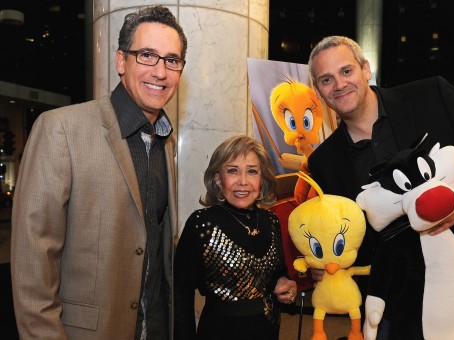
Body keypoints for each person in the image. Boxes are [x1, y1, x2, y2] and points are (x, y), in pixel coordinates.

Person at [306, 36, 454, 338]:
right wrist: (327, 261)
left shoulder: (431, 96)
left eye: (346, 71)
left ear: (365, 69)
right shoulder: (325, 161)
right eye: (326, 79)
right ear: (318, 90)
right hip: (394, 306)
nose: (339, 84)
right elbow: (347, 232)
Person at [11, 6, 187, 339]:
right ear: (121, 61)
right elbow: (33, 264)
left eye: (172, 60)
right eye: (147, 55)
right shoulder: (61, 129)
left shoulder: (165, 142)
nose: (161, 72)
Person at [173, 135, 297, 340]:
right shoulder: (202, 224)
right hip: (218, 331)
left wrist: (287, 283)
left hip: (268, 330)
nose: (243, 182)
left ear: (262, 178)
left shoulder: (271, 221)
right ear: (218, 179)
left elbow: (278, 274)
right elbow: (180, 295)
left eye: (252, 171)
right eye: (232, 171)